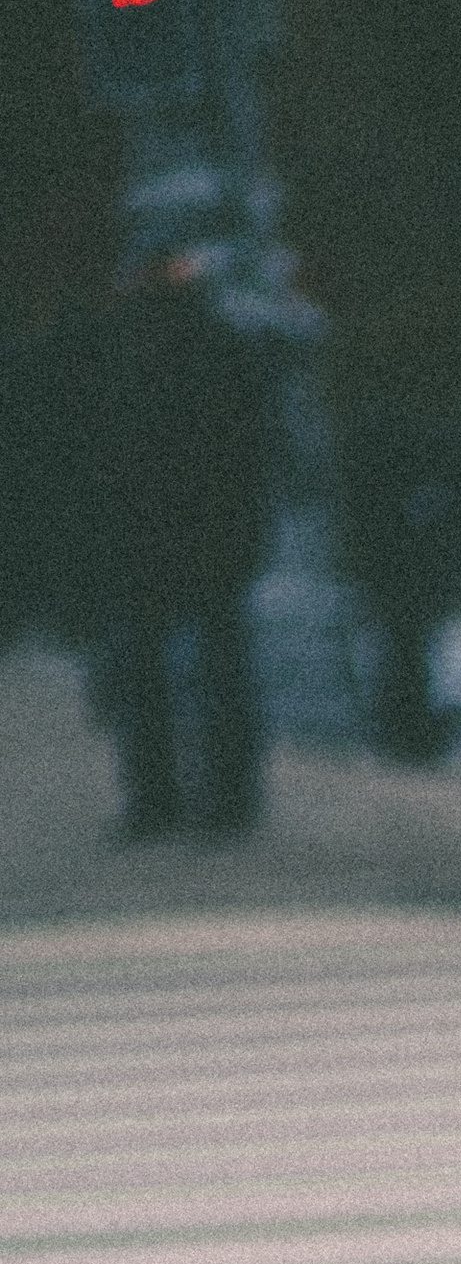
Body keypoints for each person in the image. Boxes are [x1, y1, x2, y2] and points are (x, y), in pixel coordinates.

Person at [48, 250, 271, 842]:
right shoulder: (223, 349)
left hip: (147, 533)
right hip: (203, 533)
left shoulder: (121, 352)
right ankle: (220, 799)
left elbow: (97, 451)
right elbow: (252, 450)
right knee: (214, 667)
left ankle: (159, 798)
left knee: (149, 669)